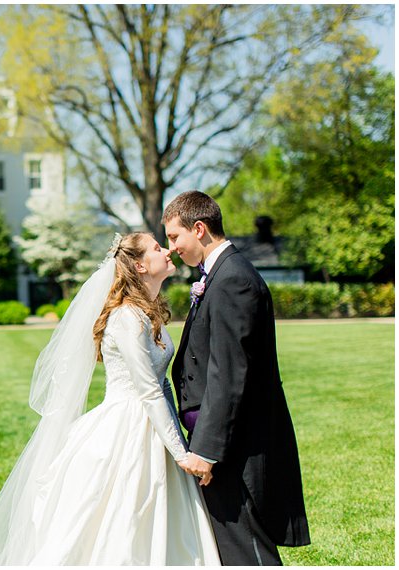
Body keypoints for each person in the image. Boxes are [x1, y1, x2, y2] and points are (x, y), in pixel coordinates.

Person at [0, 232, 221, 565]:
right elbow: (146, 389)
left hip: (155, 422)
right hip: (128, 425)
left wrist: (177, 439)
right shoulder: (127, 318)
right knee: (121, 516)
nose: (167, 250)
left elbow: (162, 387)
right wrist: (181, 453)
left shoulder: (149, 312)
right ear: (141, 266)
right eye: (157, 247)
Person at [163, 191, 310, 565]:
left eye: (174, 237)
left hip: (234, 444)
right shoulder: (221, 274)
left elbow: (228, 373)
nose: (172, 248)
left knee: (246, 547)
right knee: (230, 544)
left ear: (199, 229)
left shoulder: (233, 279)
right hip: (223, 438)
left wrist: (208, 451)